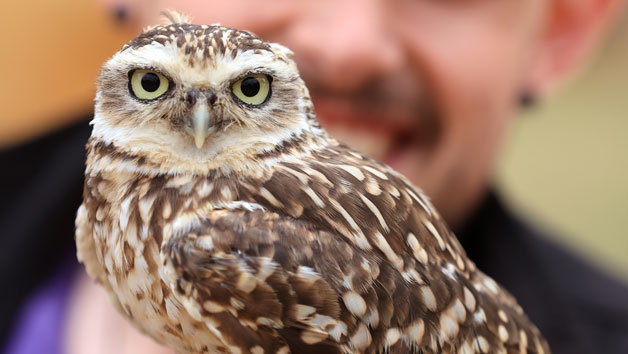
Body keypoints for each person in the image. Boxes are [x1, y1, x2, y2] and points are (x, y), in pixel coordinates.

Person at [1, 0, 627, 353]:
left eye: (249, 90)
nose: (350, 45)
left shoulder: (223, 237)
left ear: (563, 31)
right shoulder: (101, 212)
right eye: (151, 86)